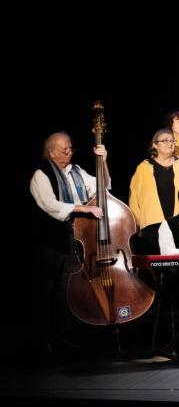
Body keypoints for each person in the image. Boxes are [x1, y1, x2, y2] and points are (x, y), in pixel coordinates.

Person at [30, 132, 109, 349]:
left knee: (72, 287)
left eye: (71, 148)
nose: (69, 152)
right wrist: (82, 207)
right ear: (51, 151)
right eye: (64, 149)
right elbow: (49, 204)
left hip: (79, 238)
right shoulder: (41, 173)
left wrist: (103, 162)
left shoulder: (77, 172)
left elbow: (103, 188)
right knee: (52, 289)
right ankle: (47, 339)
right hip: (53, 241)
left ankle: (70, 336)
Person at [129, 129, 179, 254]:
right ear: (154, 145)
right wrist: (137, 224)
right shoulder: (143, 167)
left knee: (178, 263)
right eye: (164, 141)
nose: (170, 144)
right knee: (155, 264)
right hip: (152, 224)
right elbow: (134, 198)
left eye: (172, 141)